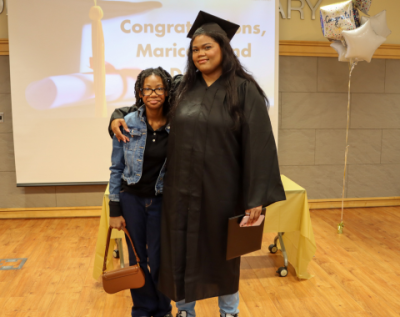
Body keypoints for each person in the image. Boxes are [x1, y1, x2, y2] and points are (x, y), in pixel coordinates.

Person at [109, 11, 286, 317]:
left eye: (207, 47)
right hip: (179, 193)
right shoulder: (183, 88)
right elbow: (145, 104)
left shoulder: (244, 90)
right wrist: (116, 116)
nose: (200, 53)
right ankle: (185, 311)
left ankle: (228, 311)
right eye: (195, 49)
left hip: (223, 194)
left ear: (223, 49)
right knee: (179, 253)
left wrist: (255, 198)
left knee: (224, 256)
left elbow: (260, 146)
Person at [108, 67, 174, 317]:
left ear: (167, 92)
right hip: (131, 200)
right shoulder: (127, 123)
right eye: (148, 88)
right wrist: (115, 209)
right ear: (139, 92)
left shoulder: (177, 124)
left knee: (159, 260)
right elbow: (116, 168)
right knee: (138, 259)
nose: (153, 93)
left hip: (161, 202)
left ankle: (163, 308)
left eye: (159, 88)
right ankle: (143, 308)